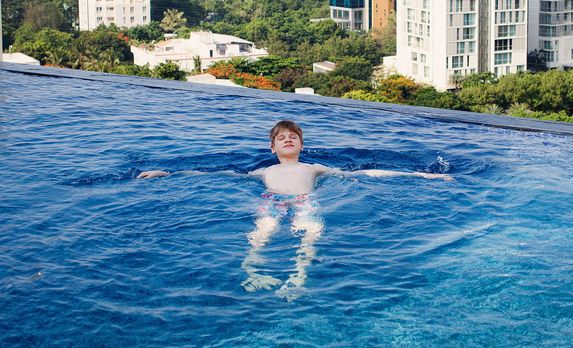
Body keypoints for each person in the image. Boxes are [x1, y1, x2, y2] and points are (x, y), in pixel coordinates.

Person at [138, 120, 452, 299]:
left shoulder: (314, 167)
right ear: (272, 148)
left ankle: (299, 275)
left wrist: (421, 176)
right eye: (282, 138)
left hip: (304, 200)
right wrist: (167, 173)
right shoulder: (262, 171)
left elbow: (366, 173)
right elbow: (219, 174)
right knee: (263, 232)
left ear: (302, 145)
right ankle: (253, 270)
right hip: (271, 199)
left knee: (311, 231)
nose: (288, 140)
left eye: (293, 137)